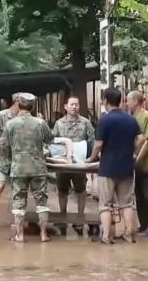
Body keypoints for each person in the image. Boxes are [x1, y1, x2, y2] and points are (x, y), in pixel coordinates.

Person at [87, 87, 144, 244]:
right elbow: (141, 138)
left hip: (108, 168)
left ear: (106, 100)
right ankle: (129, 234)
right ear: (120, 101)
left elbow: (99, 144)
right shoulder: (130, 119)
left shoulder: (105, 120)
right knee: (127, 203)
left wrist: (91, 158)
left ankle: (107, 236)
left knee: (105, 204)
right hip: (126, 167)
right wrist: (134, 153)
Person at [1, 93, 54, 243]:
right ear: (33, 106)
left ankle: (19, 235)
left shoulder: (10, 124)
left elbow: (5, 145)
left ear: (18, 105)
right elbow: (50, 139)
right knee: (41, 201)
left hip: (18, 168)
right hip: (38, 167)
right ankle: (43, 234)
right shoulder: (40, 123)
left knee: (18, 201)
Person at [51, 96, 96, 236]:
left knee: (81, 190)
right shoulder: (59, 123)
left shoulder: (85, 122)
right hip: (63, 163)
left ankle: (80, 219)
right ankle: (62, 217)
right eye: (72, 104)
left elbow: (92, 141)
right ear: (66, 106)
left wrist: (90, 159)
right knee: (62, 190)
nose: (74, 107)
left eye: (76, 104)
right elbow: (53, 140)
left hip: (79, 164)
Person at [127, 90, 148, 237]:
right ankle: (144, 225)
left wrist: (138, 159)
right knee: (140, 194)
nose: (126, 103)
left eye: (128, 100)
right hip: (139, 165)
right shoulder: (132, 118)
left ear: (135, 101)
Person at [0, 92, 22, 228]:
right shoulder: (2, 115)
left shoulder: (24, 117)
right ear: (16, 102)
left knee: (16, 190)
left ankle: (15, 219)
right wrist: (0, 140)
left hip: (17, 159)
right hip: (1, 158)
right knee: (0, 185)